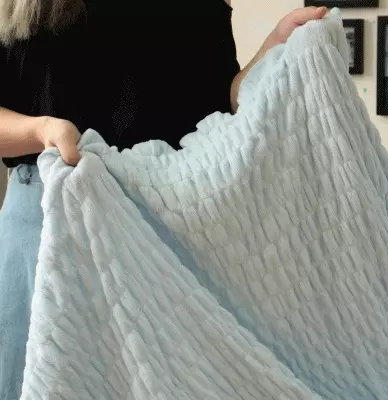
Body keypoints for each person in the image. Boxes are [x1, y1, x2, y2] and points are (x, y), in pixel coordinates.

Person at [0, 1, 327, 398]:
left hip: (168, 224)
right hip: (51, 218)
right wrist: (40, 130)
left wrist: (272, 49)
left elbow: (216, 106)